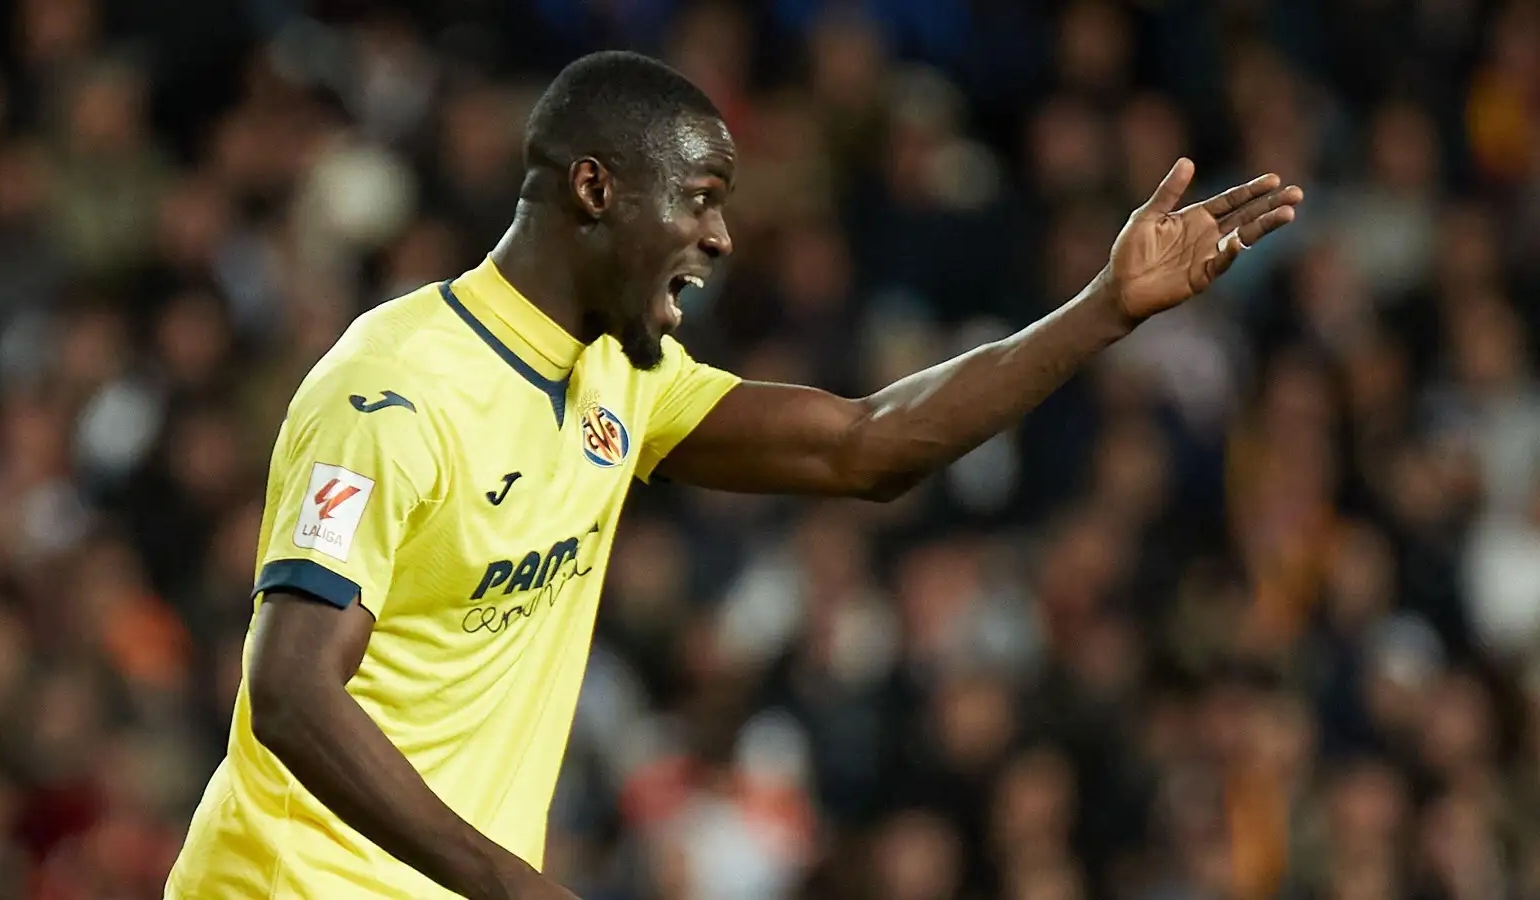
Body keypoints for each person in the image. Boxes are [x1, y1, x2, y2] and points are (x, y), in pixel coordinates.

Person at [164, 50, 1302, 900]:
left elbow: (866, 445)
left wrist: (1101, 311)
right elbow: (293, 690)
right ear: (599, 190)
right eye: (700, 199)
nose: (718, 239)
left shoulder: (618, 377)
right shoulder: (394, 388)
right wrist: (511, 883)